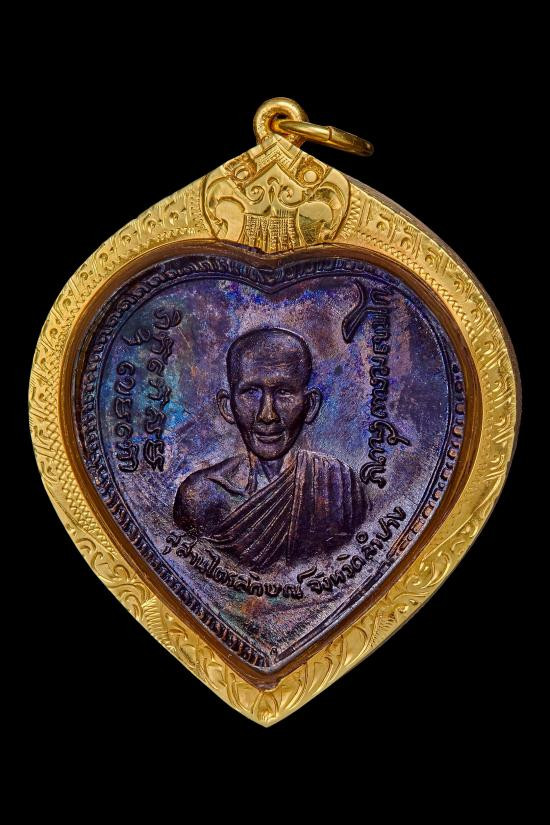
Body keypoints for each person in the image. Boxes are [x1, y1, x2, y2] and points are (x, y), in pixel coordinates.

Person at [173, 327, 369, 571]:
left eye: (284, 392)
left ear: (310, 406)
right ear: (227, 406)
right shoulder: (201, 495)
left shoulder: (337, 484)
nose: (268, 415)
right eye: (251, 392)